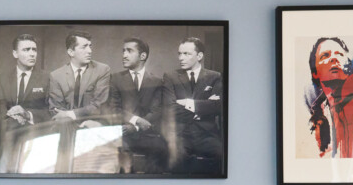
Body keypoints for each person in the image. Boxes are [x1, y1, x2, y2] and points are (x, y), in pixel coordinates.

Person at [304, 36, 353, 158]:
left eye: (339, 54)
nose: (334, 58)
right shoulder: (319, 111)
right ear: (315, 72)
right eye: (325, 55)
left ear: (347, 64)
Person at [161, 37, 223, 173]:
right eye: (179, 53)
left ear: (199, 56)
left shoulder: (214, 77)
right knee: (177, 161)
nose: (181, 58)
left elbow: (218, 106)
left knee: (222, 158)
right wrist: (203, 108)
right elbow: (170, 109)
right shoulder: (170, 77)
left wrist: (188, 103)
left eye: (186, 54)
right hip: (180, 134)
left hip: (207, 134)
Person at [107, 37, 167, 173]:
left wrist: (136, 127)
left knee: (161, 149)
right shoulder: (115, 79)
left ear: (143, 56)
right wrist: (137, 121)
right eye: (123, 51)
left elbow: (156, 110)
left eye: (129, 51)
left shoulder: (157, 81)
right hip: (123, 134)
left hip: (147, 134)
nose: (124, 55)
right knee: (122, 154)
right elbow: (114, 109)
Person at [0, 34, 51, 171]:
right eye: (26, 50)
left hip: (36, 137)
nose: (32, 54)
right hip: (7, 137)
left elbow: (52, 111)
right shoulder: (2, 78)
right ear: (15, 53)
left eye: (34, 49)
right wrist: (12, 116)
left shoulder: (47, 78)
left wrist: (27, 115)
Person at [47, 30, 111, 125]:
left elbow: (99, 105)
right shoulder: (56, 76)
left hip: (94, 123)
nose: (89, 51)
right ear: (71, 52)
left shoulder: (102, 70)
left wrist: (70, 114)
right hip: (66, 125)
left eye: (90, 46)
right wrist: (72, 122)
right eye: (84, 47)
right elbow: (56, 110)